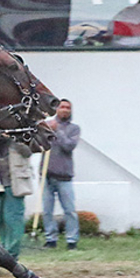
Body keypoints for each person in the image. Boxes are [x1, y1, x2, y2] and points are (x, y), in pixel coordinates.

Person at [0, 132, 34, 261]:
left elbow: (28, 151)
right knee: (1, 219)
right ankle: (4, 249)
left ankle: (12, 253)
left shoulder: (21, 134)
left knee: (13, 219)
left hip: (15, 184)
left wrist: (13, 137)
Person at [42, 99, 81, 250]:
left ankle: (72, 240)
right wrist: (48, 130)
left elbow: (69, 146)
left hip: (65, 176)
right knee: (47, 210)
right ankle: (50, 239)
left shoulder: (74, 129)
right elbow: (40, 144)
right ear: (57, 109)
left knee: (69, 210)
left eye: (68, 108)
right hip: (46, 175)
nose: (65, 110)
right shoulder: (47, 125)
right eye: (62, 107)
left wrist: (57, 131)